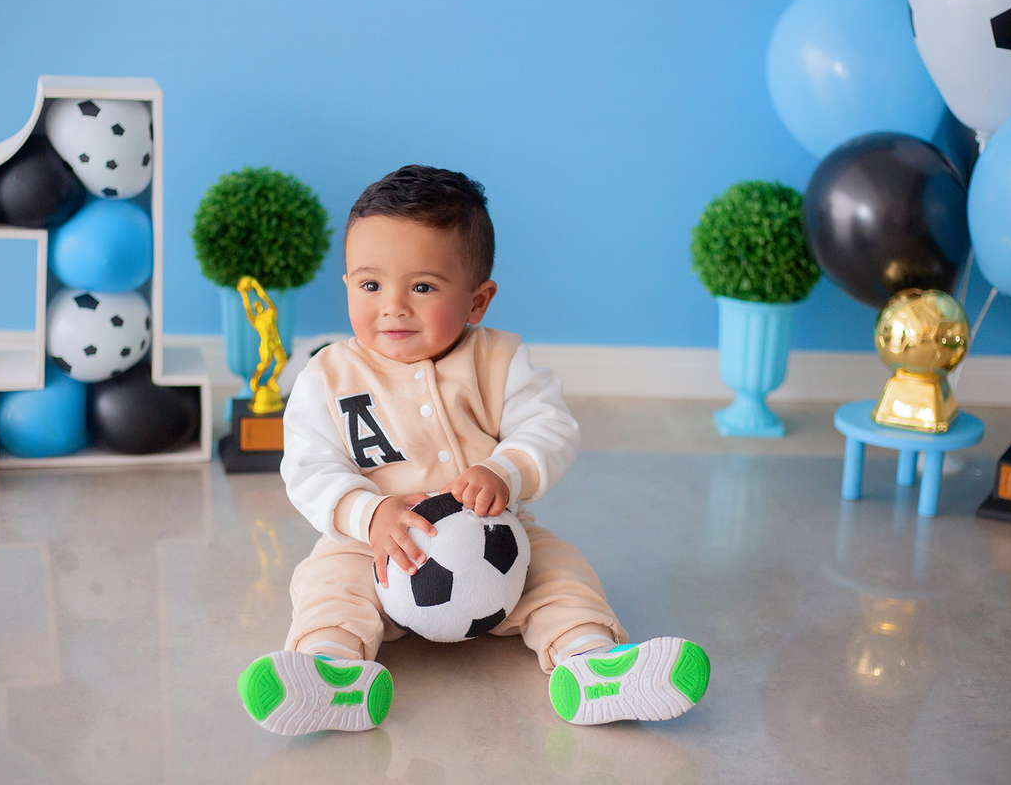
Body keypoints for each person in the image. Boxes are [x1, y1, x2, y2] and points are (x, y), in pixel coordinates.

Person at [237, 165, 709, 735]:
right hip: (374, 547)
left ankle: (591, 663)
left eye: (422, 287)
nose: (392, 306)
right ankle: (329, 670)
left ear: (477, 301)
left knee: (561, 573)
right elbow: (309, 468)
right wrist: (368, 514)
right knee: (326, 584)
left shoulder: (499, 360)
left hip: (495, 537)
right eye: (370, 285)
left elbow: (549, 427)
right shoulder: (329, 376)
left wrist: (503, 471)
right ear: (347, 286)